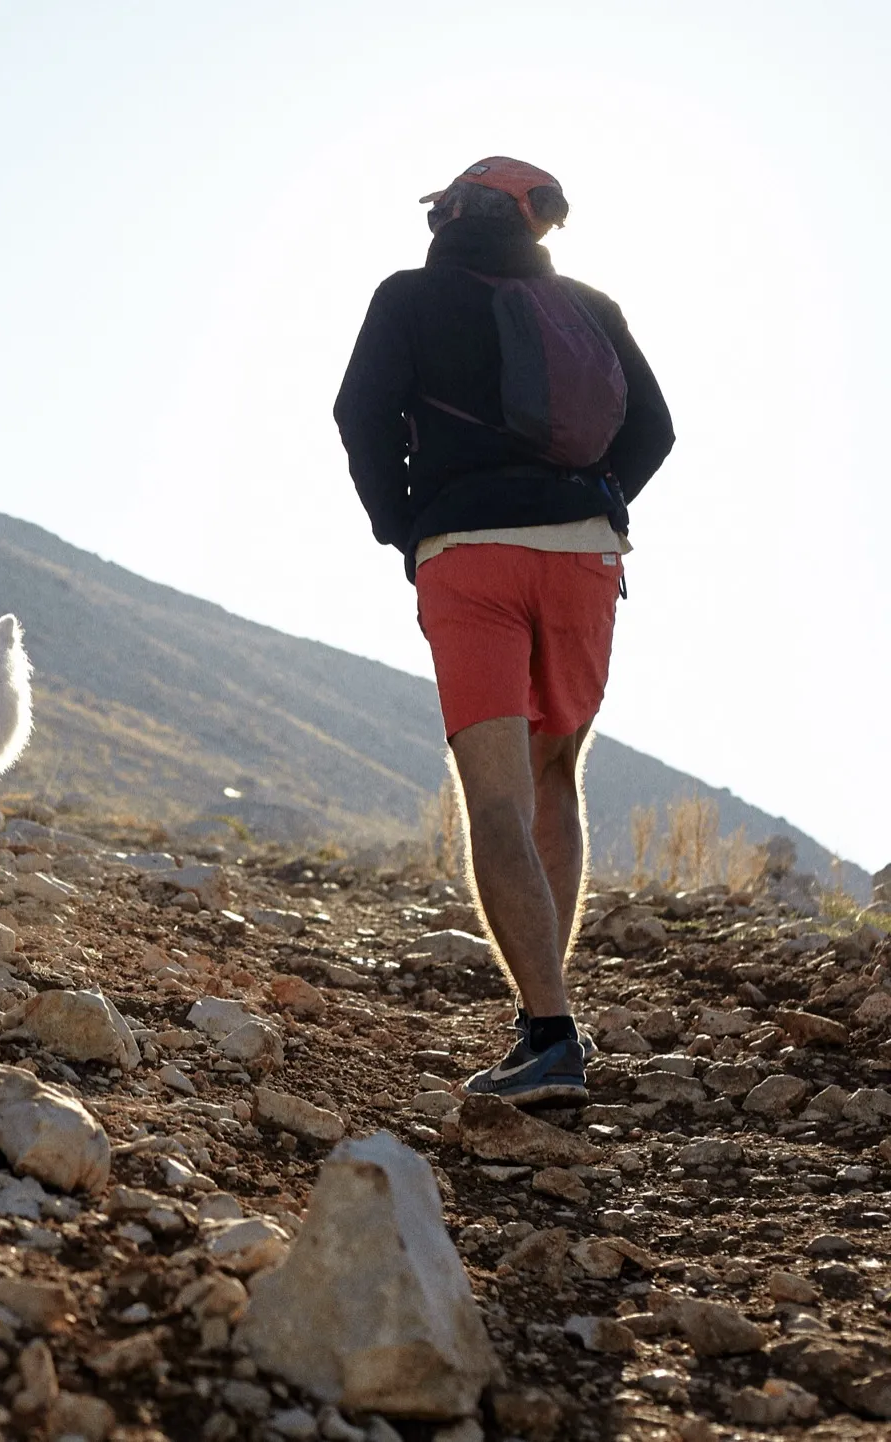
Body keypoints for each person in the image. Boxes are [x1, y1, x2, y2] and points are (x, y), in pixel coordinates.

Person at [333, 157, 675, 1104]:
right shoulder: (591, 308)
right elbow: (654, 430)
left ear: (453, 213)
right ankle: (545, 1020)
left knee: (495, 798)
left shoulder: (407, 297)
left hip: (468, 554)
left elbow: (360, 415)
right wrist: (587, 507)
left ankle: (550, 1031)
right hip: (584, 556)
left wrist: (408, 527)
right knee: (554, 776)